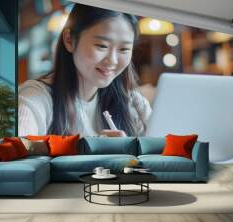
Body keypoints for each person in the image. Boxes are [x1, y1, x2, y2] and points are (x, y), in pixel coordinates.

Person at [19, 4, 152, 137]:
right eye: (102, 46)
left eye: (124, 49)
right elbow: (18, 149)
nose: (112, 60)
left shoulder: (134, 104)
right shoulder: (37, 97)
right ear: (69, 40)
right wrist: (88, 148)